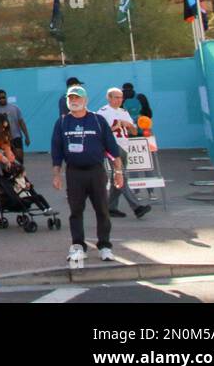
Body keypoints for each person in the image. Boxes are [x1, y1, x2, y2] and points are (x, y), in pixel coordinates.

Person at [52, 84, 124, 264]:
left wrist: (118, 172)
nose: (74, 101)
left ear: (85, 100)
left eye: (77, 98)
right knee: (75, 211)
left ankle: (105, 246)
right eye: (71, 98)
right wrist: (56, 174)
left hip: (96, 171)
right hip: (74, 172)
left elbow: (113, 149)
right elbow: (57, 150)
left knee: (102, 209)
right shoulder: (62, 122)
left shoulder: (98, 120)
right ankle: (78, 246)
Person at [96, 88, 150, 219]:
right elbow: (99, 132)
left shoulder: (124, 111)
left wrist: (129, 125)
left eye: (121, 97)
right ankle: (137, 207)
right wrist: (116, 126)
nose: (119, 100)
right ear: (109, 98)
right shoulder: (103, 112)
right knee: (122, 176)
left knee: (118, 176)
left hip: (124, 146)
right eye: (116, 97)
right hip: (113, 147)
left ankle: (110, 207)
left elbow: (133, 132)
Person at [0, 89, 30, 167]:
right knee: (6, 161)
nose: (2, 99)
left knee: (19, 159)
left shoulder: (15, 108)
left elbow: (21, 123)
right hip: (3, 139)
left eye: (3, 97)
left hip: (16, 137)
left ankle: (20, 175)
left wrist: (27, 137)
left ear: (6, 97)